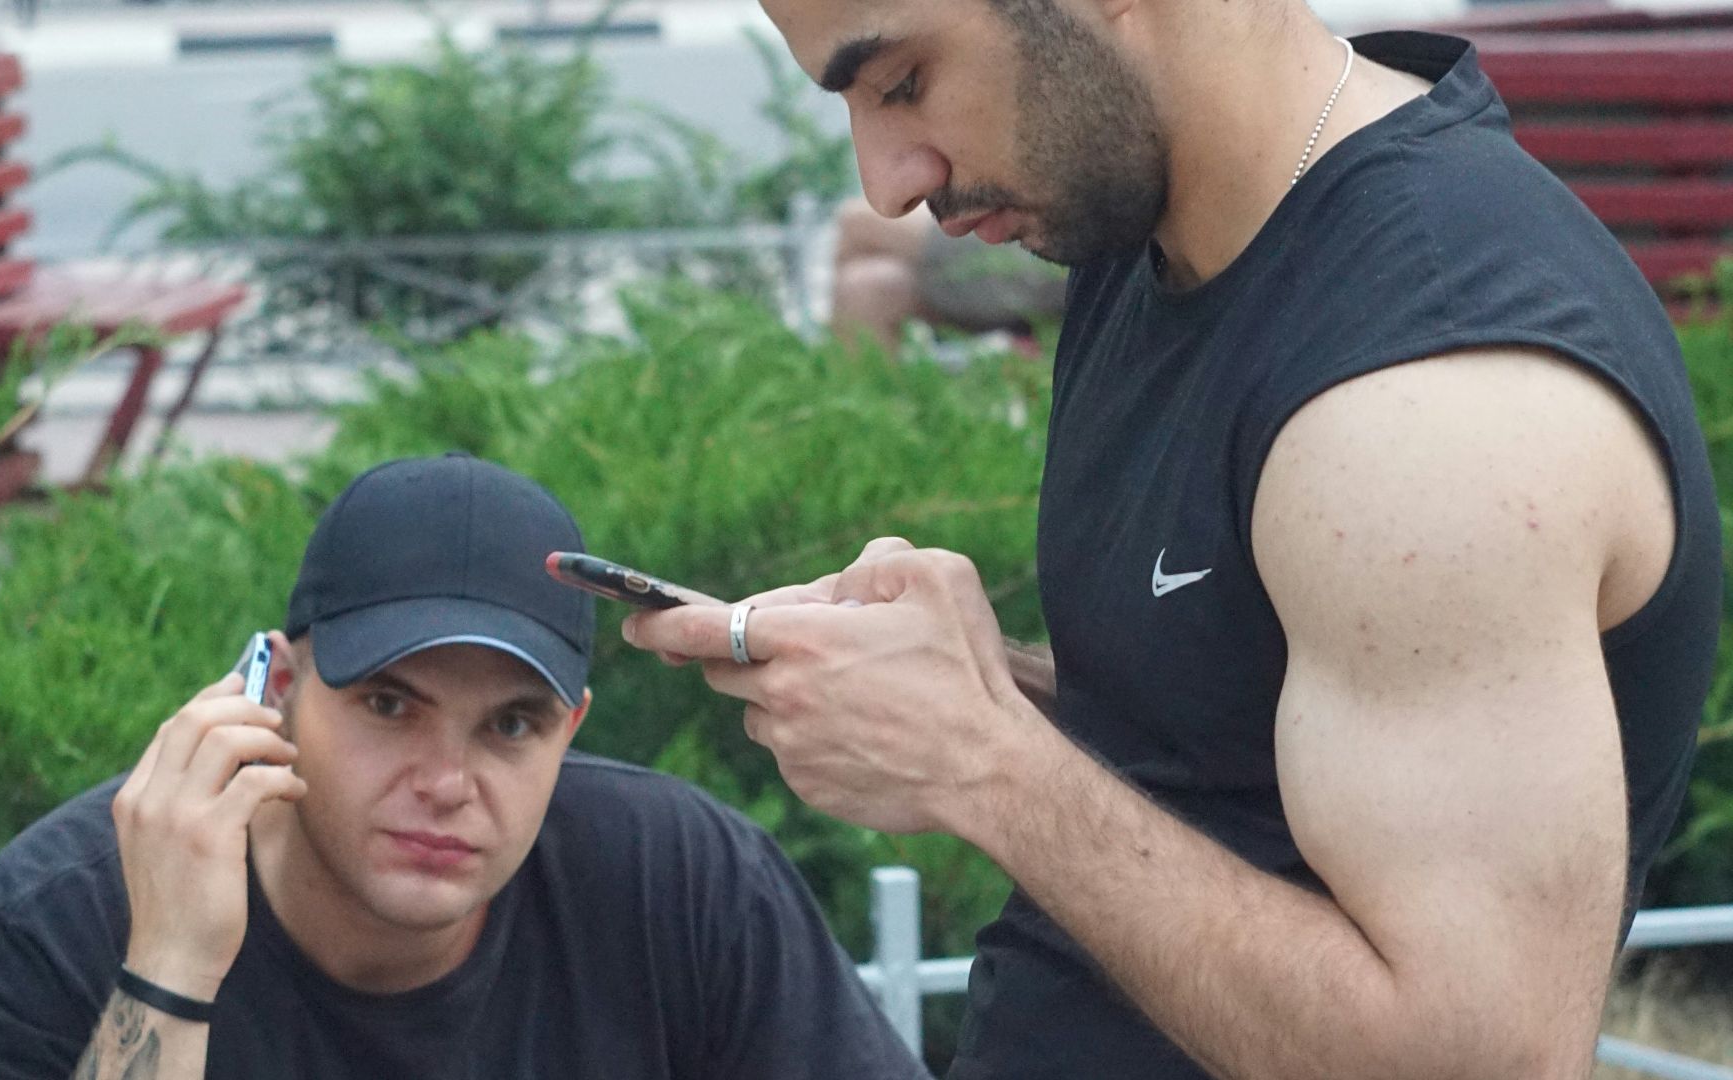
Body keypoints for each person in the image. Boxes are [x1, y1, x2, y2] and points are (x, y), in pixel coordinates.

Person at [624, 2, 1724, 1078]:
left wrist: (985, 764)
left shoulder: (1426, 399)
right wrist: (965, 691)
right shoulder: (1156, 226)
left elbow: (1479, 1058)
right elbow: (1239, 757)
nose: (887, 180)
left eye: (903, 82)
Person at [0, 453, 929, 1080]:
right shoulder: (59, 921)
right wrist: (171, 972)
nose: (446, 781)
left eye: (510, 727)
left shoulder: (680, 884)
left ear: (570, 731)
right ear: (274, 688)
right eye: (388, 704)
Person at [831, 198, 1067, 353]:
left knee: (858, 221)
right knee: (865, 287)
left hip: (1059, 257)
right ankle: (873, 418)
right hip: (1028, 250)